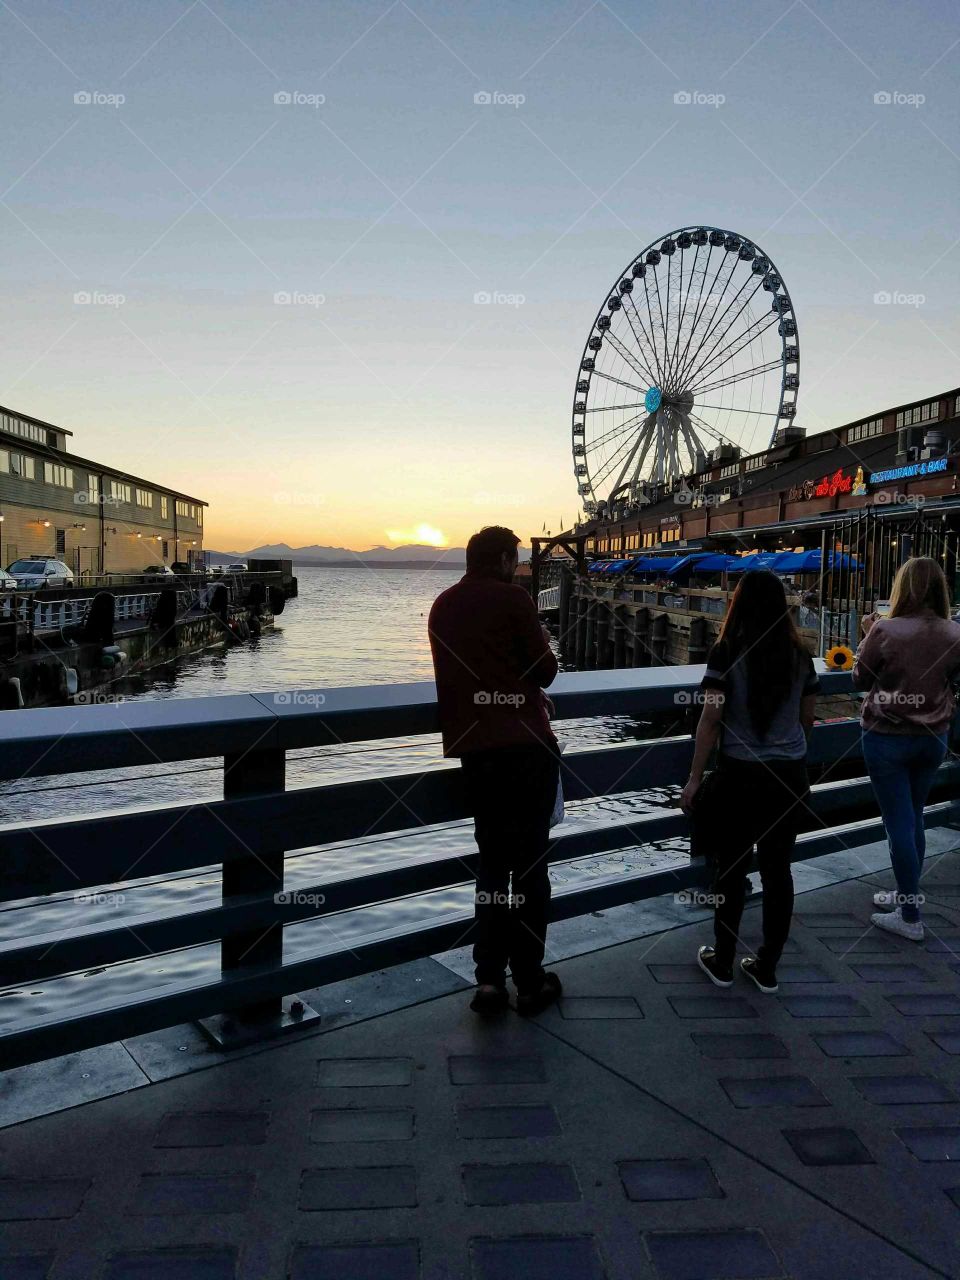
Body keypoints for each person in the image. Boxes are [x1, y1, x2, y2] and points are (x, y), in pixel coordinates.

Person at [428, 526, 562, 1016]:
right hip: (526, 749)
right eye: (517, 559)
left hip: (476, 753)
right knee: (529, 870)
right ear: (505, 559)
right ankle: (528, 982)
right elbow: (543, 671)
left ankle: (488, 981)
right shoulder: (514, 600)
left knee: (491, 864)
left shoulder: (442, 606)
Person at [680, 571, 819, 993]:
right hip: (788, 776)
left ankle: (722, 961)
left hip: (740, 775)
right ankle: (767, 967)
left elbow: (710, 721)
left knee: (731, 870)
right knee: (779, 872)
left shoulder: (727, 652)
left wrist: (692, 780)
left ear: (738, 605)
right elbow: (807, 719)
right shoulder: (801, 655)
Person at [853, 556, 960, 940]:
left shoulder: (887, 630)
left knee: (897, 821)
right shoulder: (954, 632)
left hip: (887, 737)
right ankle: (906, 893)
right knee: (913, 814)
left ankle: (911, 916)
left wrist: (869, 632)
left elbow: (859, 677)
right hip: (933, 738)